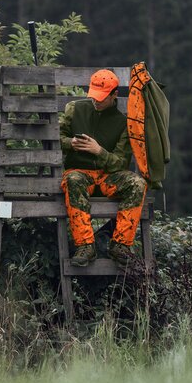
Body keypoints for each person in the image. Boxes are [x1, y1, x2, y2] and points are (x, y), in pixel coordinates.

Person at [59, 69, 148, 266]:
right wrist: (70, 142)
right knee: (72, 179)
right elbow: (55, 138)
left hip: (108, 178)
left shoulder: (123, 123)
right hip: (80, 173)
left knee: (137, 183)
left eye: (101, 97)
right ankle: (85, 246)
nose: (96, 101)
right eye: (94, 96)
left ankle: (120, 245)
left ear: (114, 94)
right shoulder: (74, 108)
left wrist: (99, 151)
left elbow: (121, 163)